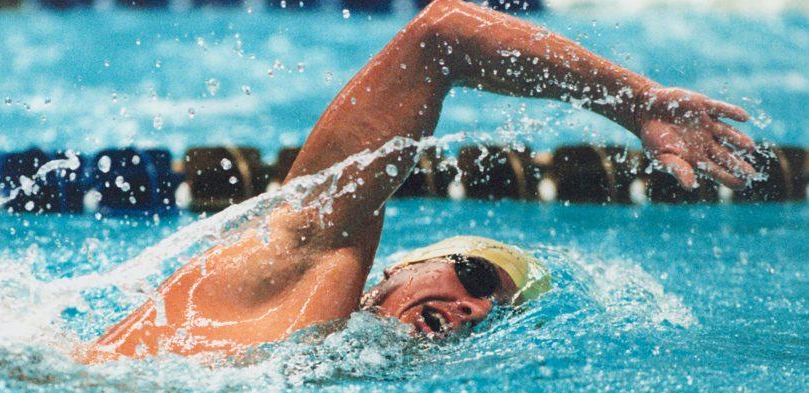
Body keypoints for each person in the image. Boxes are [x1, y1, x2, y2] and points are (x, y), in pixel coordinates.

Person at [81, 0, 756, 362]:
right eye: (474, 275)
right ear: (396, 272)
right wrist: (632, 103)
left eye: (495, 310)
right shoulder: (310, 258)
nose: (474, 308)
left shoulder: (338, 374)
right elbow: (442, 34)